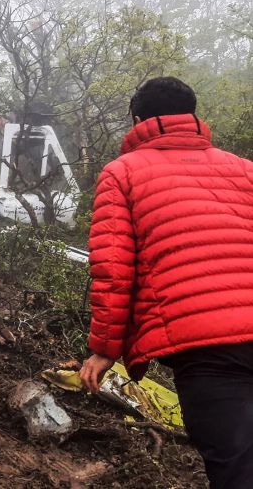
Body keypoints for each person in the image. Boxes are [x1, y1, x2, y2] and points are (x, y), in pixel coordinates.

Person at [79, 76, 253, 488]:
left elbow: (113, 267)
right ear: (192, 115)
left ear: (138, 119)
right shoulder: (245, 170)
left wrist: (105, 348)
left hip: (208, 348)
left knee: (236, 467)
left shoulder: (122, 173)